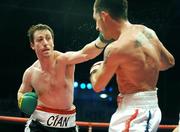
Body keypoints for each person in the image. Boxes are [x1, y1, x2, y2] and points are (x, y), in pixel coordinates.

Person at [90, 0, 175, 132]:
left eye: (96, 20)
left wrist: (94, 69)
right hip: (137, 109)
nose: (97, 27)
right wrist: (140, 64)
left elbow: (98, 85)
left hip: (136, 114)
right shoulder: (147, 32)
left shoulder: (115, 48)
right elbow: (168, 62)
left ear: (104, 16)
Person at [17, 23, 110, 132]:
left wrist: (103, 39)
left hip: (67, 125)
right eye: (40, 40)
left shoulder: (64, 60)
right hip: (39, 125)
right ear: (32, 45)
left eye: (48, 38)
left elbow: (86, 54)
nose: (45, 43)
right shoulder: (30, 73)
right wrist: (22, 100)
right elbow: (21, 92)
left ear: (53, 42)